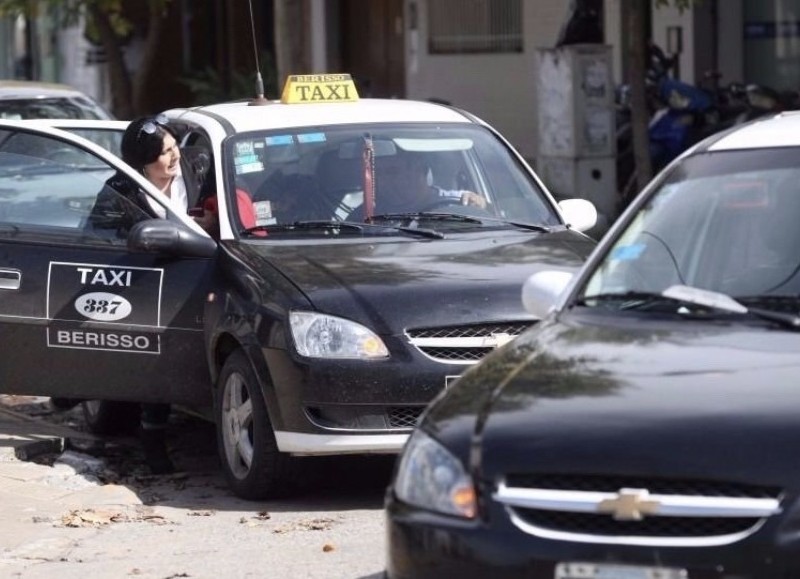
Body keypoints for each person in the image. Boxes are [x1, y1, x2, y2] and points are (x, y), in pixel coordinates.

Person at [371, 152, 487, 216]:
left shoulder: (455, 202)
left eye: (392, 172)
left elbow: (484, 210)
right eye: (378, 173)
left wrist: (479, 204)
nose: (383, 179)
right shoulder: (368, 213)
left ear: (418, 171)